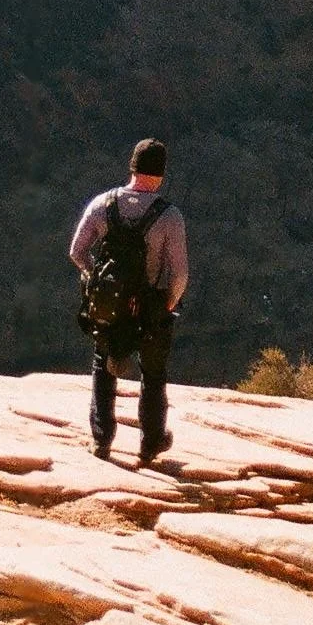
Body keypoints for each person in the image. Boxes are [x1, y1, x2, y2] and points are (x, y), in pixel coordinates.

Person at [69, 138, 188, 463]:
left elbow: (77, 251)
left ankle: (102, 440)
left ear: (132, 167)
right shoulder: (169, 216)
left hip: (109, 304)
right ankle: (150, 444)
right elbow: (179, 274)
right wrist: (167, 304)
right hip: (150, 306)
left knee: (103, 365)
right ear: (161, 175)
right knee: (152, 373)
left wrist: (100, 279)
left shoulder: (102, 204)